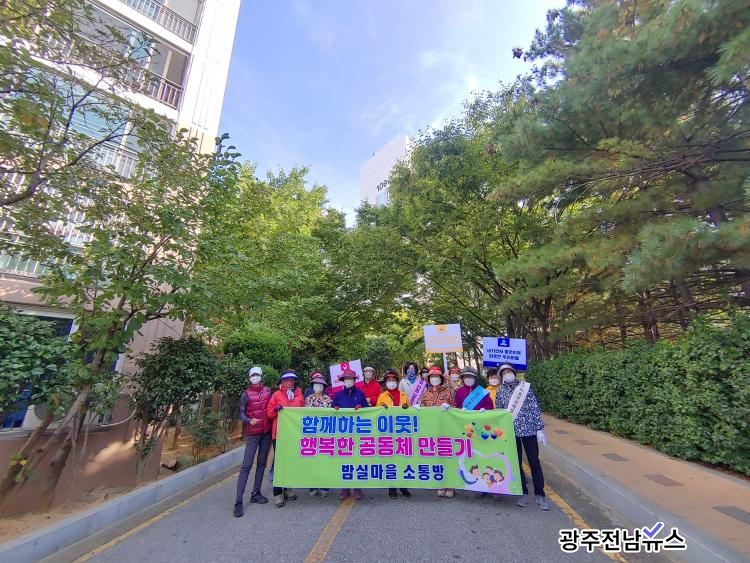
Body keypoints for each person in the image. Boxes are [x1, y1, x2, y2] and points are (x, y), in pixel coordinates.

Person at [495, 363, 549, 511]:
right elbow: (499, 412)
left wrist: (539, 429)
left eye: (509, 371)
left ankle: (540, 494)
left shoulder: (525, 387)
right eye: (504, 372)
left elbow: (534, 408)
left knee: (534, 462)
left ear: (514, 372)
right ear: (501, 376)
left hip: (529, 431)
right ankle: (523, 492)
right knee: (516, 463)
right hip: (512, 432)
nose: (507, 374)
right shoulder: (500, 391)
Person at [234, 366, 272, 518]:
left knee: (261, 463)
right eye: (253, 375)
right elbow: (241, 414)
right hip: (253, 434)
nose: (255, 377)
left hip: (266, 433)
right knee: (246, 466)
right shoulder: (246, 394)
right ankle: (238, 501)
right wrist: (249, 420)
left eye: (257, 375)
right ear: (249, 377)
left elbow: (271, 408)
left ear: (261, 376)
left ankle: (256, 493)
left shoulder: (268, 391)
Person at [267, 369, 304, 507]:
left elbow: (303, 412)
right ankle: (277, 493)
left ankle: (288, 489)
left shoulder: (299, 395)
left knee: (290, 462)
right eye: (286, 379)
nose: (289, 382)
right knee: (279, 463)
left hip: (294, 435)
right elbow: (269, 413)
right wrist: (275, 410)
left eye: (292, 379)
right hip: (279, 434)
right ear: (282, 381)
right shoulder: (276, 395)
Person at [332, 369, 368, 501]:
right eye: (346, 379)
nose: (348, 381)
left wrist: (361, 408)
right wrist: (335, 409)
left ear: (354, 380)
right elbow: (331, 410)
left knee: (357, 459)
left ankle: (357, 488)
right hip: (343, 432)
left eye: (350, 379)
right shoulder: (338, 395)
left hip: (357, 432)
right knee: (344, 460)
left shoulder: (360, 394)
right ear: (343, 381)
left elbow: (367, 410)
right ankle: (345, 488)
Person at [419, 366, 455, 498]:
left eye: (437, 376)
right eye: (432, 377)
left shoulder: (448, 391)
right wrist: (418, 408)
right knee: (436, 456)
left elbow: (455, 407)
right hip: (432, 430)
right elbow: (422, 408)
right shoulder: (426, 393)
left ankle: (450, 484)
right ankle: (440, 483)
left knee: (448, 456)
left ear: (441, 378)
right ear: (429, 379)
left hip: (446, 428)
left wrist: (449, 407)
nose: (435, 379)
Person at [377, 369, 412, 499]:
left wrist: (407, 408)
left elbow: (411, 411)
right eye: (389, 380)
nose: (391, 382)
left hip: (401, 432)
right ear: (386, 382)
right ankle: (392, 487)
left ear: (397, 382)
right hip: (387, 432)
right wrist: (381, 408)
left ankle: (403, 486)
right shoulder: (382, 396)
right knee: (390, 460)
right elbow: (376, 413)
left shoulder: (403, 395)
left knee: (402, 459)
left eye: (393, 380)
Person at [304, 370, 332, 498]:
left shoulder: (328, 399)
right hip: (311, 434)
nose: (318, 387)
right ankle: (313, 486)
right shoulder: (308, 399)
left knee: (324, 460)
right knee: (312, 460)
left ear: (324, 387)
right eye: (316, 384)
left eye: (320, 385)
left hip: (324, 434)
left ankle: (324, 486)